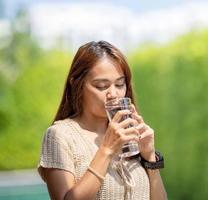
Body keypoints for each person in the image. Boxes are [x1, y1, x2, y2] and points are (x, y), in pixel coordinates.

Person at [37, 41, 167, 200]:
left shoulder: (131, 137)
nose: (114, 94)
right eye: (101, 86)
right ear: (76, 84)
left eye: (120, 84)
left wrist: (150, 158)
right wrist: (106, 149)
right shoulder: (60, 136)